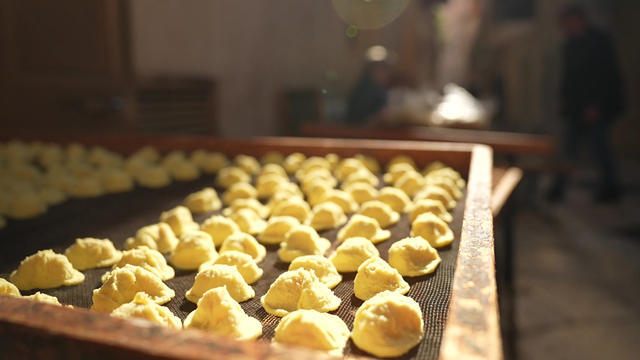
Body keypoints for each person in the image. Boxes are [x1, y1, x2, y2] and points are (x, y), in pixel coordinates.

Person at [548, 4, 625, 203]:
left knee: (600, 147)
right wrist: (563, 100)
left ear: (579, 20)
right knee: (570, 148)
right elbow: (568, 78)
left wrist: (596, 105)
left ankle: (610, 187)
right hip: (576, 107)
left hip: (598, 107)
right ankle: (558, 188)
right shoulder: (570, 46)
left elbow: (606, 77)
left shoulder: (599, 42)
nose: (567, 27)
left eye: (569, 23)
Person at [345, 60, 393, 125]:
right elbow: (360, 118)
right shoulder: (369, 90)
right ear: (374, 72)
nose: (387, 76)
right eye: (384, 72)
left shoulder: (373, 88)